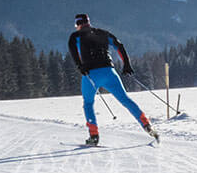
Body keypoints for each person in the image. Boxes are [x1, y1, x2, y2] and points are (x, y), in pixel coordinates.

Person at [67, 13, 158, 145]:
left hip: (91, 74)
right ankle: (147, 125)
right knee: (126, 100)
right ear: (88, 22)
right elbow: (119, 45)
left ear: (78, 24)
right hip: (110, 72)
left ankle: (94, 136)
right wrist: (126, 64)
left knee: (88, 103)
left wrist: (80, 67)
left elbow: (74, 53)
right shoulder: (103, 33)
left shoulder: (75, 36)